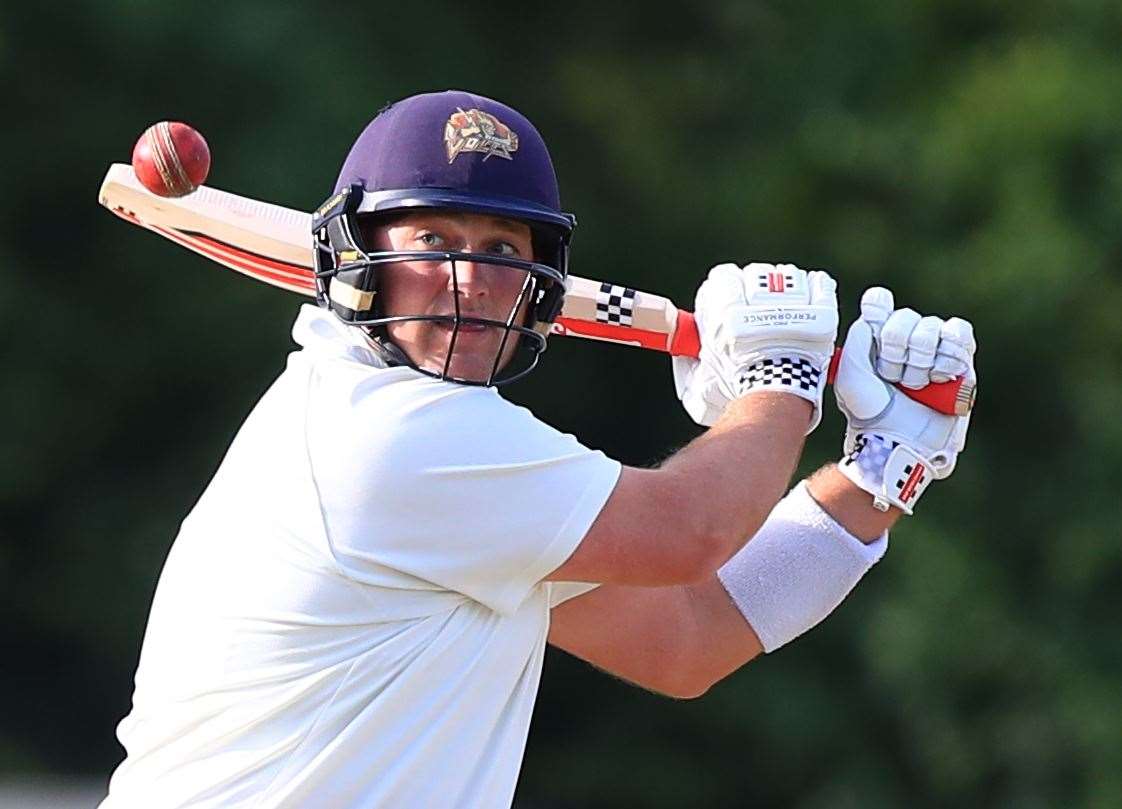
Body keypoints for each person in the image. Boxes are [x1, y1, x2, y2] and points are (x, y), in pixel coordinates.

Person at [100, 90, 977, 808]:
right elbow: (692, 529)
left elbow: (690, 636)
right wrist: (779, 378)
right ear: (355, 257)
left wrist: (882, 471)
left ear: (538, 287)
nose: (473, 279)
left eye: (502, 249)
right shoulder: (385, 431)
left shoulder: (461, 488)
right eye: (434, 241)